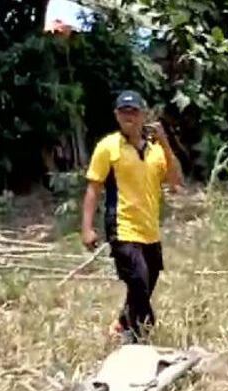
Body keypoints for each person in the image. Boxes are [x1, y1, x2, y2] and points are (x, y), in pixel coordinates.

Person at [81, 90, 182, 343]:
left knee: (148, 281)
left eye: (134, 112)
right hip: (122, 226)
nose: (129, 117)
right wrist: (87, 228)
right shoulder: (108, 147)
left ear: (143, 115)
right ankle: (138, 336)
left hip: (149, 229)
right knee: (138, 280)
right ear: (117, 115)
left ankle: (122, 322)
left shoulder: (156, 150)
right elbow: (93, 188)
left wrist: (166, 142)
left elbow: (175, 181)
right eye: (124, 112)